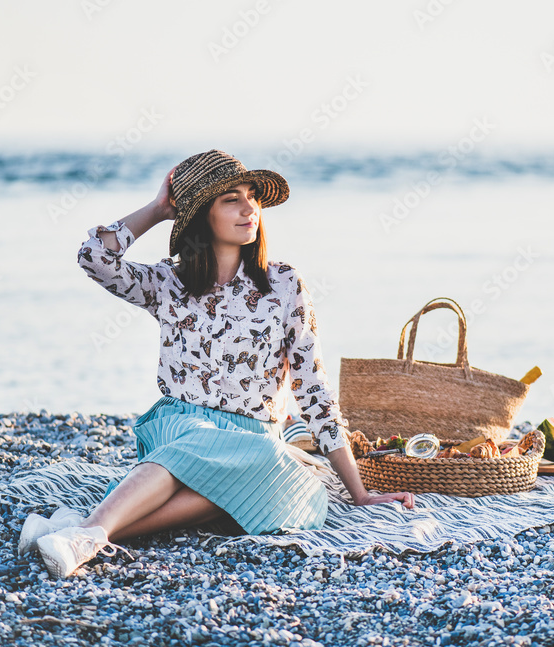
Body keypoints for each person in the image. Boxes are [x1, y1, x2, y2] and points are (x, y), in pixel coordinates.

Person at [23, 150, 414, 578]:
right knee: (222, 459)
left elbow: (313, 388)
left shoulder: (285, 284)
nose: (249, 208)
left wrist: (359, 493)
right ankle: (88, 533)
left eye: (252, 196)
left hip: (255, 441)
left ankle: (79, 530)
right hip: (182, 425)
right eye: (231, 199)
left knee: (302, 492)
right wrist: (157, 211)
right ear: (200, 216)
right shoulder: (169, 283)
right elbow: (94, 258)